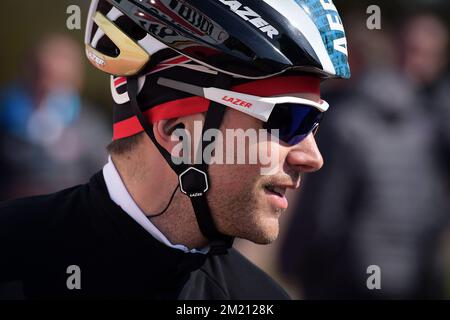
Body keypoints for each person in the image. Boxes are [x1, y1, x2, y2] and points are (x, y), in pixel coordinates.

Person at [0, 0, 350, 299]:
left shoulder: (259, 298)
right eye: (288, 119)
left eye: (314, 122)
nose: (312, 157)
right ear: (178, 132)